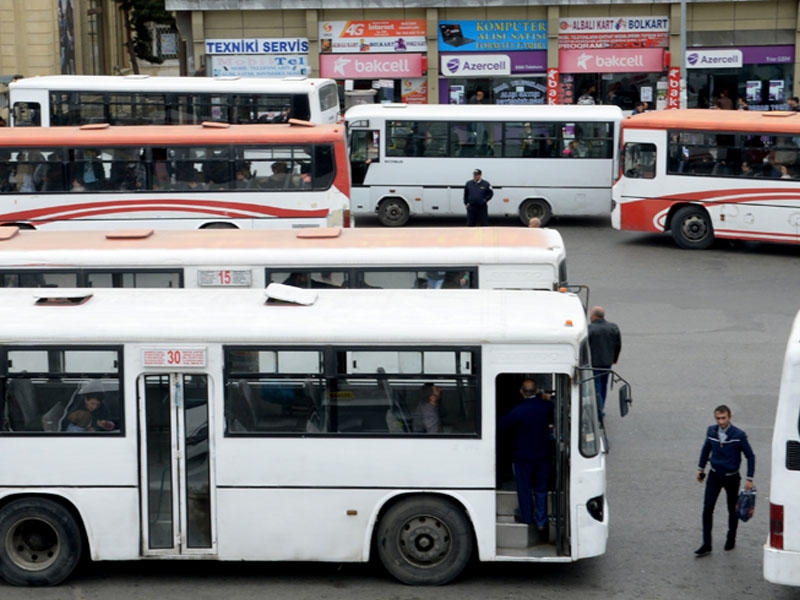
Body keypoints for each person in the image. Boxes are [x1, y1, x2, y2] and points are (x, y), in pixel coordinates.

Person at [498, 379, 555, 543]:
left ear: (521, 392)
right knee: (541, 489)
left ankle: (528, 519)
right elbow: (554, 411)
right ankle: (542, 522)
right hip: (543, 455)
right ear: (536, 390)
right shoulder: (546, 406)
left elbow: (502, 426)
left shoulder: (518, 410)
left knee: (524, 489)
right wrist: (546, 398)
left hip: (522, 457)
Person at [695, 405, 755, 556]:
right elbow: (705, 449)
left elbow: (750, 456)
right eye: (718, 418)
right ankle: (706, 544)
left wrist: (749, 478)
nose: (721, 422)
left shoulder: (739, 435)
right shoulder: (711, 431)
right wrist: (701, 469)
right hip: (714, 475)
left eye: (723, 418)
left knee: (732, 510)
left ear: (730, 417)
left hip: (732, 477)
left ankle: (731, 538)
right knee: (707, 508)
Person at [588, 306, 621, 423]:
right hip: (607, 362)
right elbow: (618, 345)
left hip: (594, 362)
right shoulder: (613, 327)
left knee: (596, 385)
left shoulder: (590, 329)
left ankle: (599, 409)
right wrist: (614, 359)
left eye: (591, 315)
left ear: (594, 316)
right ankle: (601, 406)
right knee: (603, 384)